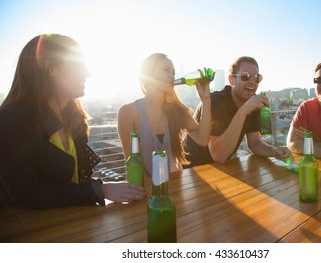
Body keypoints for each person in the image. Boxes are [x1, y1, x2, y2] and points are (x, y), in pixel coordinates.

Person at [0, 34, 146, 209]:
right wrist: (100, 190)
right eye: (79, 64)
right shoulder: (10, 121)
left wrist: (103, 189)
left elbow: (74, 182)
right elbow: (26, 197)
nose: (87, 73)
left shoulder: (75, 119)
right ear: (51, 69)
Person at [185, 56, 291, 167]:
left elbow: (254, 143)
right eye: (245, 76)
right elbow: (218, 155)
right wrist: (243, 111)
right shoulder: (214, 102)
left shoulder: (253, 103)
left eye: (256, 77)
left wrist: (274, 151)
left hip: (223, 169)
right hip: (191, 170)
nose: (252, 82)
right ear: (232, 80)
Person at [117, 53, 211, 175]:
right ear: (148, 75)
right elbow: (133, 166)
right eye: (166, 70)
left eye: (173, 72)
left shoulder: (177, 110)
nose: (171, 76)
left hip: (177, 186)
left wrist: (206, 100)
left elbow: (203, 140)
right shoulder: (127, 113)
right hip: (144, 191)